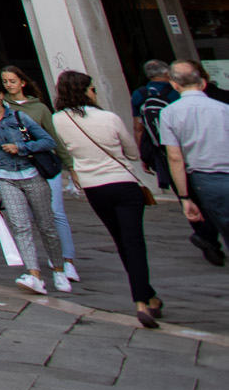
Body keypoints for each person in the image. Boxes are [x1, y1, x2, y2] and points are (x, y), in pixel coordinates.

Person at [49, 70, 160, 328]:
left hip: (94, 188)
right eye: (92, 88)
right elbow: (131, 152)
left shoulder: (59, 119)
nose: (94, 92)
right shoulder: (108, 117)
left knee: (121, 240)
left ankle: (150, 297)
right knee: (133, 241)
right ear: (85, 90)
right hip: (122, 183)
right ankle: (141, 301)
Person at [0, 77, 63, 295]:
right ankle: (35, 275)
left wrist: (21, 147)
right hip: (6, 178)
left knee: (47, 226)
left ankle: (59, 270)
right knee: (20, 226)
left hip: (32, 175)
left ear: (1, 94)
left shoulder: (19, 116)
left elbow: (48, 141)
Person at [1, 66, 78, 284]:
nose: (8, 85)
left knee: (56, 213)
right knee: (28, 219)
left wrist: (70, 166)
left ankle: (68, 261)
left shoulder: (40, 108)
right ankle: (41, 266)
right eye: (4, 81)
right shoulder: (1, 108)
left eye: (12, 81)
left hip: (44, 166)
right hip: (18, 169)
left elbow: (54, 139)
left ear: (23, 82)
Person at [161, 60, 229, 266]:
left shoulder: (169, 113)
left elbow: (175, 157)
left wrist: (184, 196)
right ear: (202, 82)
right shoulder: (223, 108)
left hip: (206, 178)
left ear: (174, 84)